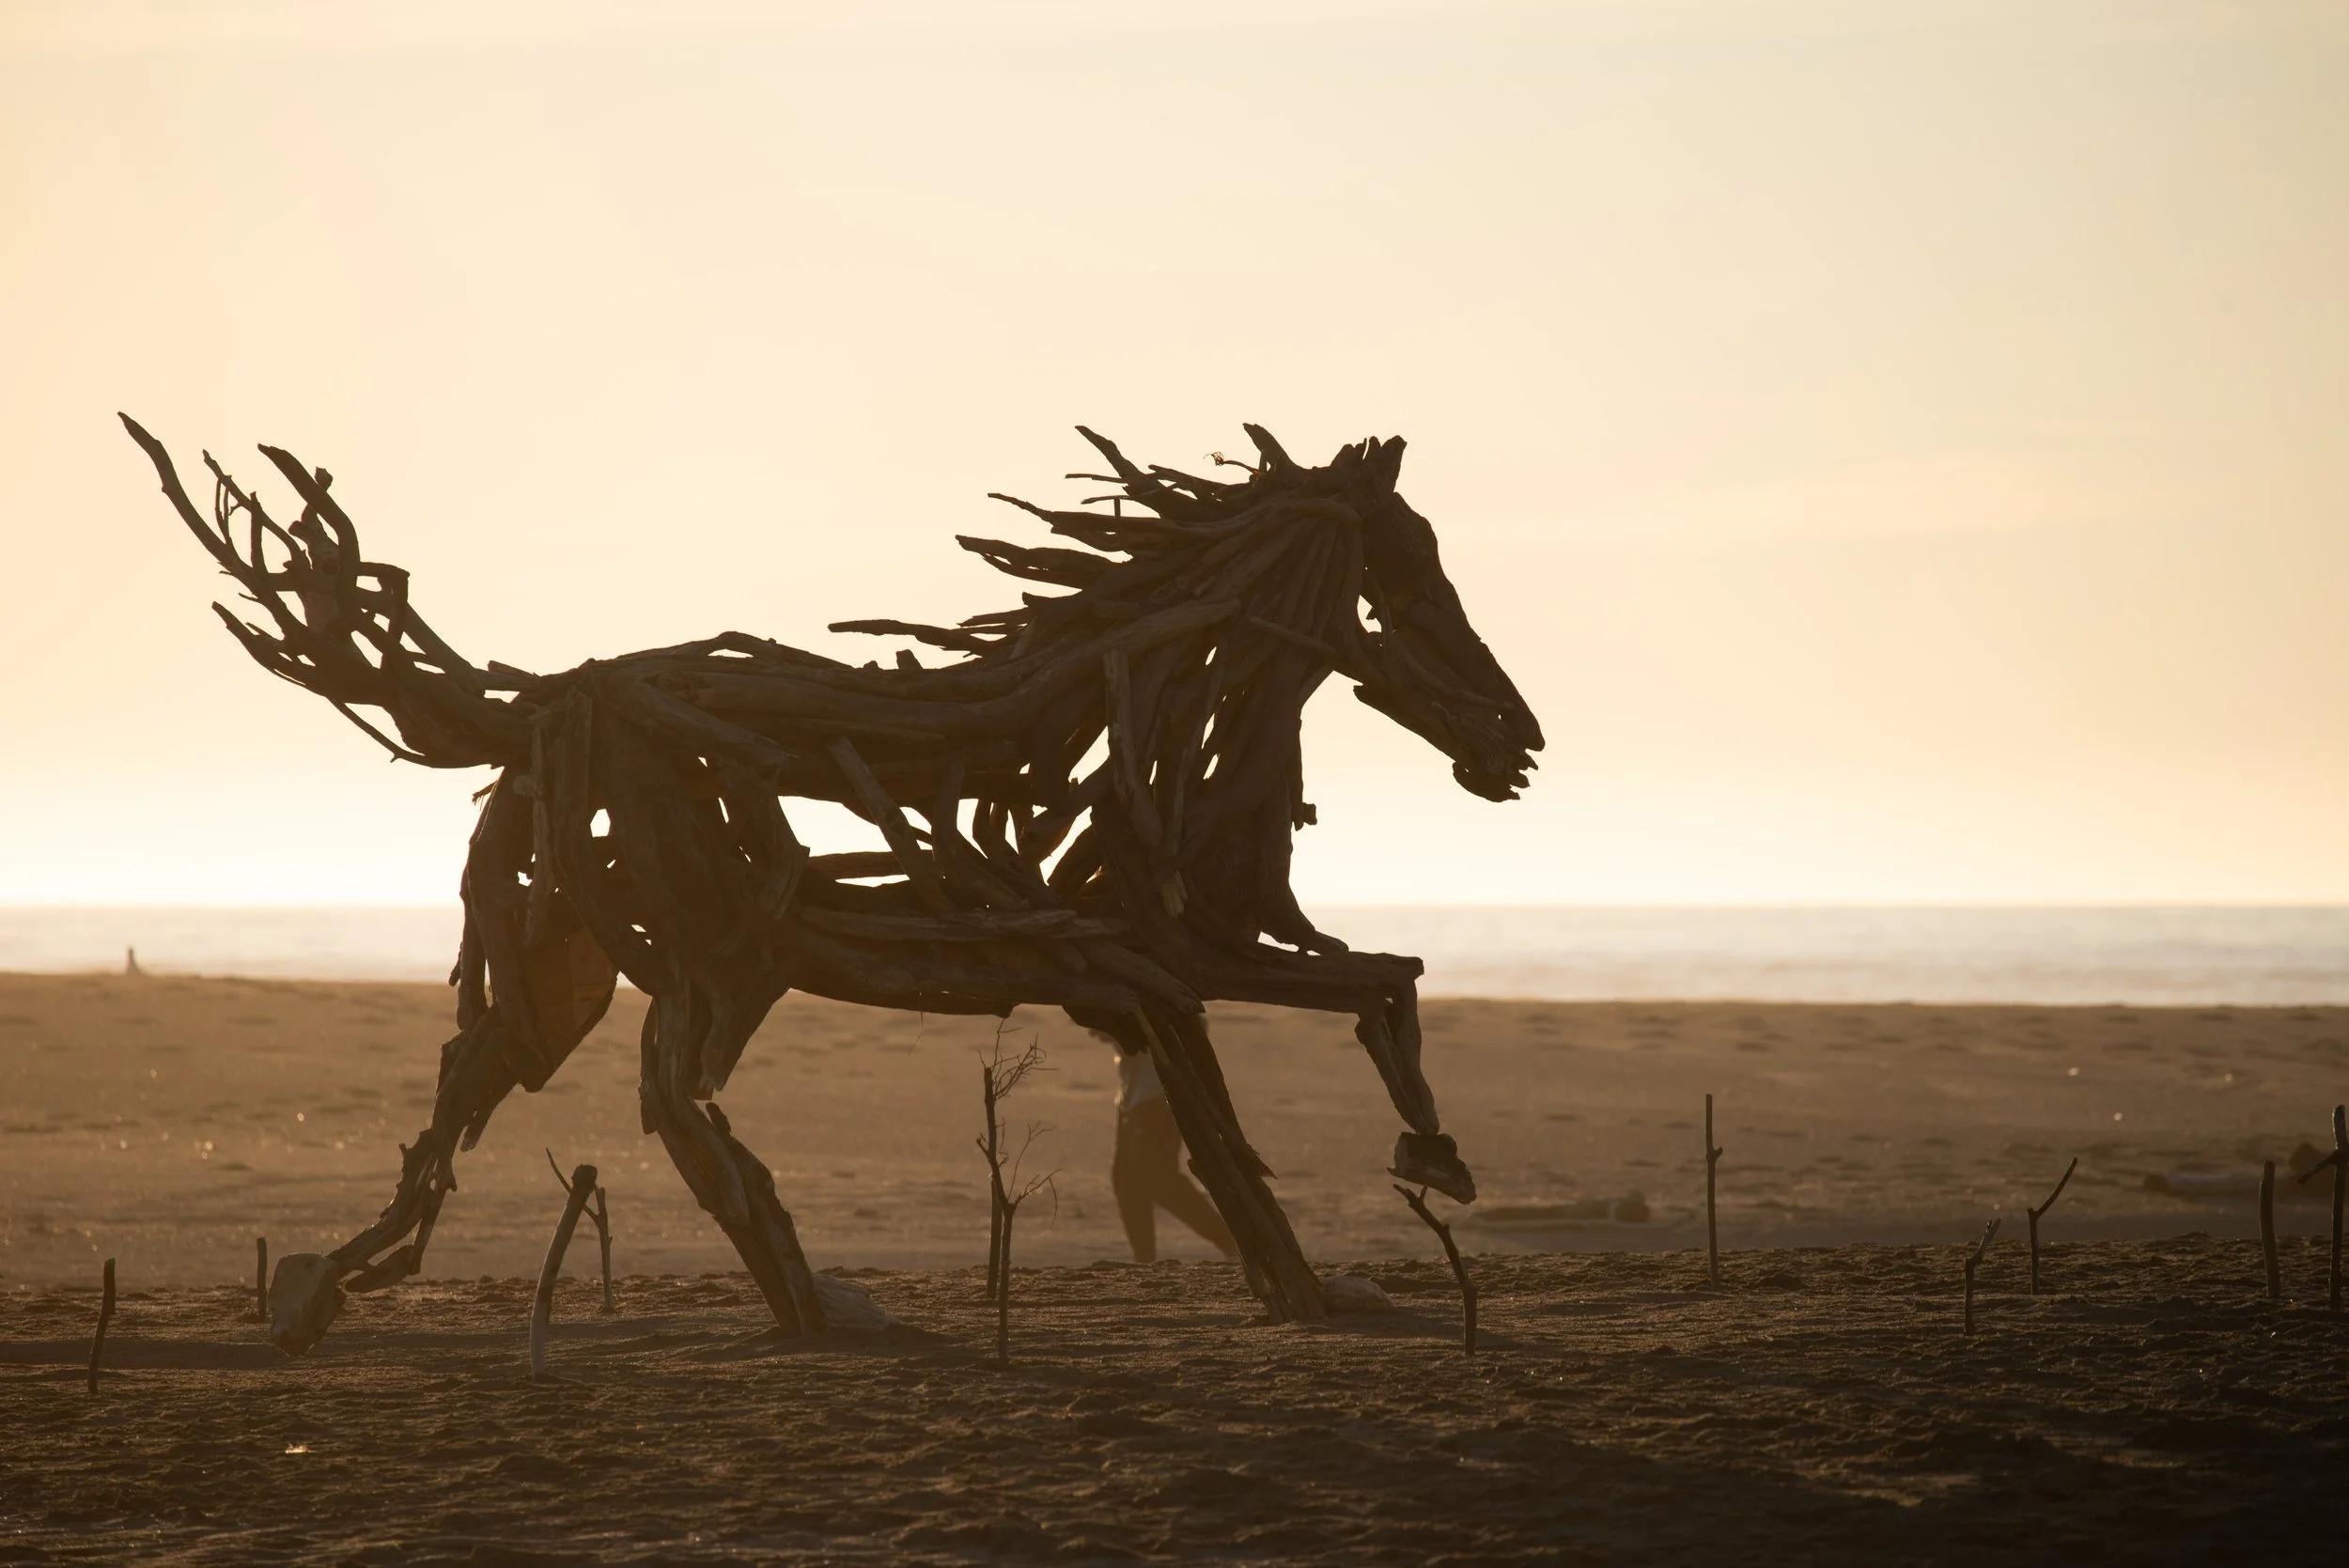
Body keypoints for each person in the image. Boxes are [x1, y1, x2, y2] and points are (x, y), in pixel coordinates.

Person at [1097, 1031, 1238, 1264]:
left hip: (1158, 1097)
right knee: (1126, 1182)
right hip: (1131, 1098)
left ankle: (1231, 1243)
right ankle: (1145, 1261)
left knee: (1157, 1178)